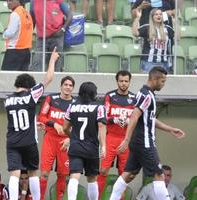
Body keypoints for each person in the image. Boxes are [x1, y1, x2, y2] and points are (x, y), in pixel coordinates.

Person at [109, 66, 186, 200]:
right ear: (155, 79)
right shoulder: (146, 95)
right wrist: (126, 140)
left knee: (129, 174)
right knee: (159, 175)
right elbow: (134, 116)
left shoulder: (145, 93)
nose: (163, 84)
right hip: (144, 142)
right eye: (162, 81)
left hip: (138, 142)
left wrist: (170, 129)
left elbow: (149, 119)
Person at [4, 47, 59, 200]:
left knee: (14, 174)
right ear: (29, 86)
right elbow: (49, 78)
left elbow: (17, 120)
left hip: (12, 141)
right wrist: (52, 59)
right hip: (29, 142)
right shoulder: (31, 95)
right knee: (32, 172)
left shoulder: (7, 100)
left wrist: (33, 125)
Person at [63, 81, 107, 200]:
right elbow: (102, 126)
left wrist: (72, 137)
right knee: (92, 179)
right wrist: (103, 146)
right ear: (93, 93)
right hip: (91, 148)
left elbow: (65, 127)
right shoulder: (99, 107)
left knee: (74, 176)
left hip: (76, 147)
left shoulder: (72, 106)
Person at [97, 70, 136, 199]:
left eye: (126, 81)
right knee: (103, 171)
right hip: (110, 138)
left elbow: (138, 120)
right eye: (121, 81)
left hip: (126, 139)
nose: (124, 84)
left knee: (124, 174)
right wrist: (114, 119)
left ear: (130, 82)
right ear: (117, 81)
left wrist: (129, 121)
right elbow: (102, 117)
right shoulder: (110, 96)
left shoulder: (134, 98)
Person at [38, 76, 75, 200]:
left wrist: (70, 139)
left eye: (70, 85)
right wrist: (53, 124)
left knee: (62, 175)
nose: (68, 87)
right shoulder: (51, 99)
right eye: (66, 84)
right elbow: (42, 117)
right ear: (61, 86)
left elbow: (79, 126)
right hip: (50, 139)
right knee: (44, 174)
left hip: (65, 142)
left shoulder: (75, 104)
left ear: (73, 88)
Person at [30, 0, 72, 72]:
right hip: (41, 37)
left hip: (57, 37)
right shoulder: (33, 2)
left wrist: (62, 29)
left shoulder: (58, 1)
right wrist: (29, 34)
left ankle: (56, 81)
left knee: (56, 64)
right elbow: (32, 19)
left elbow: (69, 15)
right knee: (37, 63)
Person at [132, 8, 174, 73]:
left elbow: (177, 37)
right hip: (149, 62)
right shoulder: (147, 27)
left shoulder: (167, 28)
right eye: (156, 14)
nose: (159, 16)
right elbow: (135, 33)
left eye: (160, 14)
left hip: (164, 62)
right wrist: (137, 18)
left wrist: (175, 21)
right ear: (152, 17)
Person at [1, 0, 33, 71]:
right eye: (7, 1)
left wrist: (4, 32)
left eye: (11, 0)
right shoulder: (27, 14)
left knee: (7, 77)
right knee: (22, 79)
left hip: (14, 51)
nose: (8, 3)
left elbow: (10, 33)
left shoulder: (15, 14)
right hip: (26, 51)